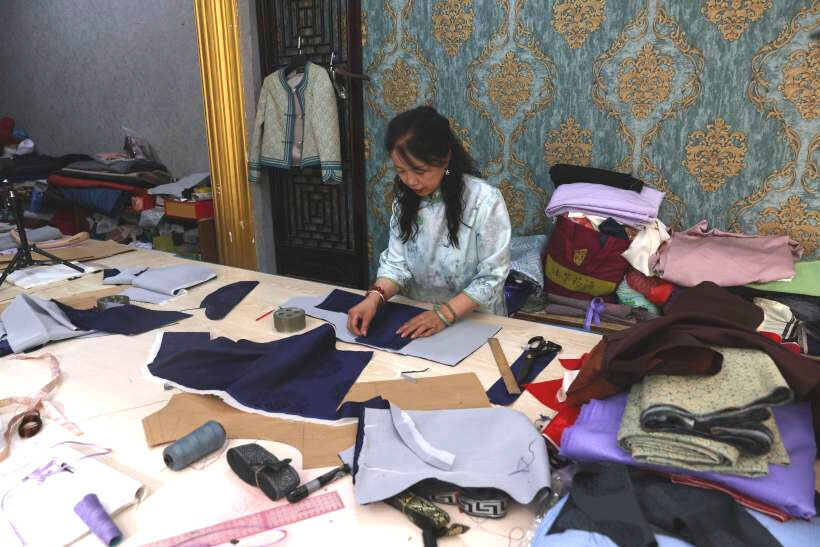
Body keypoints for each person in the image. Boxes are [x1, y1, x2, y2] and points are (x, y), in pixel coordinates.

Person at [347, 106, 511, 339]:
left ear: (445, 159)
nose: (410, 181)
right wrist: (374, 298)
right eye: (401, 170)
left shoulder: (484, 201)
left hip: (475, 319)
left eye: (420, 170)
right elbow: (397, 265)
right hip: (417, 316)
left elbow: (491, 277)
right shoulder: (405, 201)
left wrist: (443, 315)